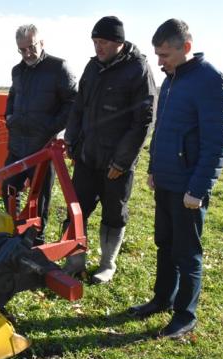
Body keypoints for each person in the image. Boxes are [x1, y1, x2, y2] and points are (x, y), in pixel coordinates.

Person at [128, 19, 223, 338]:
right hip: (166, 180)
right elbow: (163, 128)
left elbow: (218, 142)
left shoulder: (210, 80)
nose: (159, 61)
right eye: (157, 54)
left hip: (189, 187)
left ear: (186, 47)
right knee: (165, 244)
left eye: (165, 55)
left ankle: (185, 314)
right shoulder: (172, 80)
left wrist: (198, 189)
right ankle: (163, 298)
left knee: (187, 253)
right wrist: (152, 169)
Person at [64, 16, 156, 283]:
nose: (98, 47)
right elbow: (78, 106)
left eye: (102, 41)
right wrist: (71, 139)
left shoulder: (138, 69)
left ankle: (107, 264)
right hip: (87, 156)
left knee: (114, 214)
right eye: (95, 41)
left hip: (116, 164)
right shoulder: (92, 67)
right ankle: (75, 262)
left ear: (119, 41)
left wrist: (122, 162)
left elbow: (143, 121)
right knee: (76, 210)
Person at [3, 24, 77, 243]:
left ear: (41, 43)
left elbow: (73, 101)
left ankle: (37, 239)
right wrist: (9, 118)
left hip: (42, 146)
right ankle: (12, 231)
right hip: (17, 144)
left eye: (31, 47)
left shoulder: (59, 67)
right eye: (22, 50)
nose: (27, 53)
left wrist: (51, 127)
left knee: (40, 197)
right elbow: (12, 96)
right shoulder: (18, 71)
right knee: (8, 188)